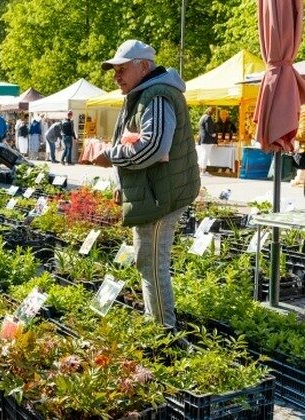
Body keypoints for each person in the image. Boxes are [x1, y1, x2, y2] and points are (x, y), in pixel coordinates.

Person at [92, 39, 200, 328]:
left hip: (163, 197)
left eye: (122, 69)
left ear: (143, 67)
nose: (116, 76)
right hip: (155, 193)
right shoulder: (143, 94)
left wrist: (111, 157)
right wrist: (120, 181)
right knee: (148, 261)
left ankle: (164, 331)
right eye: (114, 70)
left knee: (152, 263)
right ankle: (156, 322)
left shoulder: (157, 96)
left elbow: (154, 148)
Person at [198, 107, 217, 175]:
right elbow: (209, 129)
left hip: (202, 139)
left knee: (202, 154)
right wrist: (213, 134)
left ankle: (200, 170)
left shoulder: (202, 117)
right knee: (205, 155)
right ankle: (203, 170)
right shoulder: (208, 118)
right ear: (212, 112)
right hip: (207, 139)